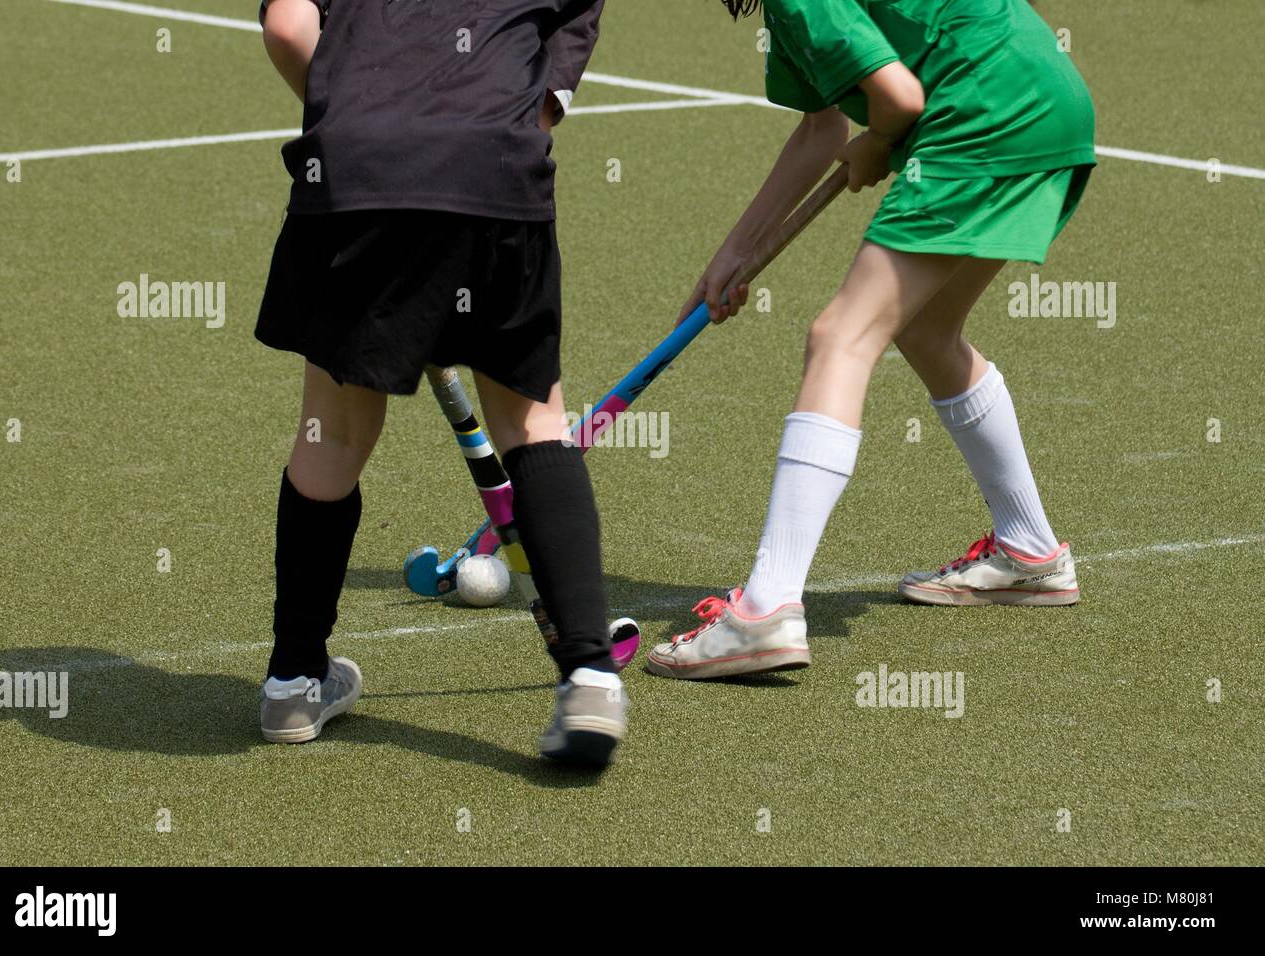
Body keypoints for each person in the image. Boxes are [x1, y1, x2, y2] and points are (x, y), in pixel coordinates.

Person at [647, 0, 1095, 680]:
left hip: (986, 111)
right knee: (926, 331)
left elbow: (896, 97)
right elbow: (823, 128)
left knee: (840, 337)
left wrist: (882, 140)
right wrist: (736, 253)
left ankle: (763, 611)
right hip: (1044, 95)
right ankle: (1029, 551)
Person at [255, 0, 624, 766]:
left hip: (353, 171)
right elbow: (549, 90)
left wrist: (374, 128)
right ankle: (589, 674)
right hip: (493, 169)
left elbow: (290, 27)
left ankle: (292, 681)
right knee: (531, 421)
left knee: (334, 432)